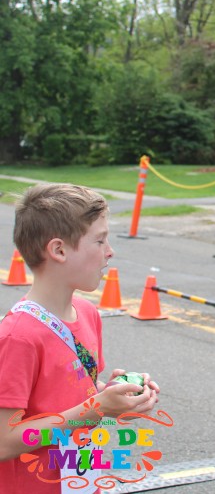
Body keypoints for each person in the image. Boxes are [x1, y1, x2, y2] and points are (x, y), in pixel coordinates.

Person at [0, 183, 159, 493]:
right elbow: (4, 441)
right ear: (58, 250)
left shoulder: (87, 313)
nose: (110, 251)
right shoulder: (17, 337)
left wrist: (114, 398)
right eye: (99, 240)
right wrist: (96, 408)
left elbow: (75, 395)